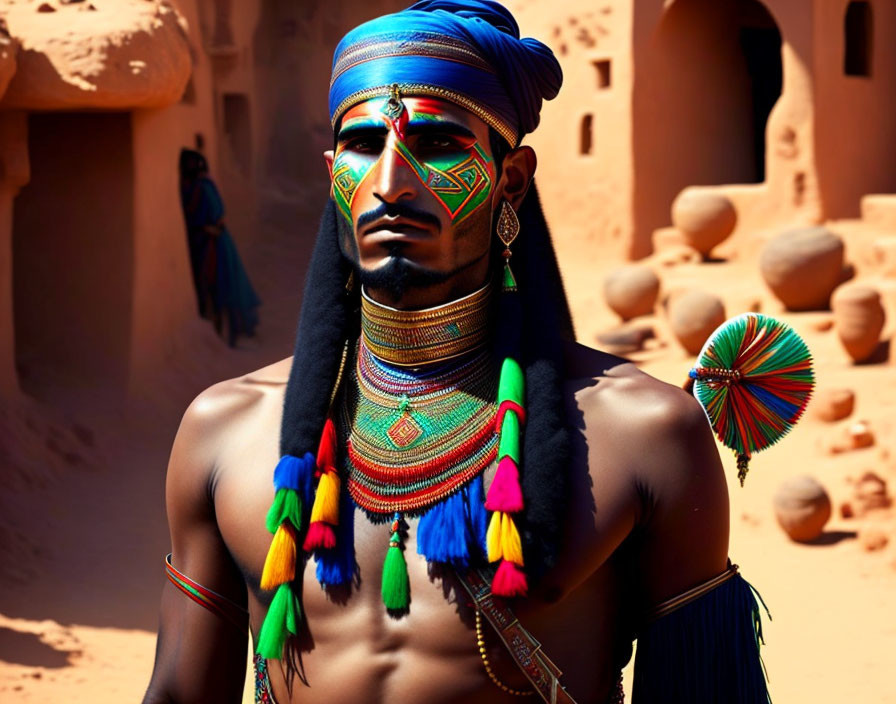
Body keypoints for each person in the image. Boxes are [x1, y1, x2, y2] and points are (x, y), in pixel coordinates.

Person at [146, 3, 771, 702]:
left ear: (512, 177)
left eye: (438, 145)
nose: (390, 184)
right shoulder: (224, 430)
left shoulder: (646, 433)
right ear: (332, 172)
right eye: (361, 145)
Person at [179, 148, 261, 347]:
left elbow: (214, 216)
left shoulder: (202, 186)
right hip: (209, 241)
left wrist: (209, 229)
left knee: (219, 284)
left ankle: (224, 333)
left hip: (214, 242)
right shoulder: (198, 186)